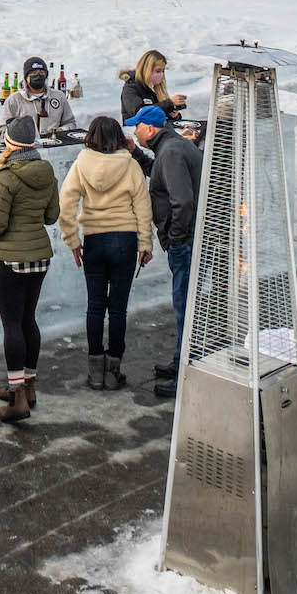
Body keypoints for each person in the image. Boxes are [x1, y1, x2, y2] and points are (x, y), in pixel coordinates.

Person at [59, 115, 153, 389]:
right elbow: (143, 207)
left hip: (94, 242)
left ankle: (95, 372)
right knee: (118, 310)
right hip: (124, 241)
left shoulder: (81, 164)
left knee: (95, 306)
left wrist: (72, 240)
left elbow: (66, 204)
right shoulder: (131, 165)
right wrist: (145, 243)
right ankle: (113, 373)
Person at [0, 116, 60, 423]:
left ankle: (16, 400)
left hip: (11, 259)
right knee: (28, 320)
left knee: (11, 324)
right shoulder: (46, 171)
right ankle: (28, 386)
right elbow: (52, 217)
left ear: (9, 142)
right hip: (40, 257)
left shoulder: (5, 176)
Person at [126, 107, 203, 396]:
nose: (134, 131)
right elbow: (159, 177)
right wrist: (135, 152)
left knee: (185, 307)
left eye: (137, 126)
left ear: (151, 128)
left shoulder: (170, 152)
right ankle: (179, 361)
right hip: (189, 238)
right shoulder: (171, 147)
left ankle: (185, 374)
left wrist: (175, 240)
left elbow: (182, 201)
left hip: (186, 241)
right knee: (186, 305)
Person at [2, 57, 77, 139]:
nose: (38, 76)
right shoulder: (14, 100)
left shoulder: (59, 96)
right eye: (33, 73)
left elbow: (71, 123)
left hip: (54, 146)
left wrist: (60, 130)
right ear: (26, 77)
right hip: (25, 148)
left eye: (41, 72)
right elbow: (3, 129)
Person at [119, 51, 186, 125]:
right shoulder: (131, 88)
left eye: (163, 71)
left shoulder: (155, 89)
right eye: (158, 71)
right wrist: (169, 103)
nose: (161, 74)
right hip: (136, 133)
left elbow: (158, 114)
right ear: (147, 69)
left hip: (156, 132)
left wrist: (174, 115)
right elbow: (139, 115)